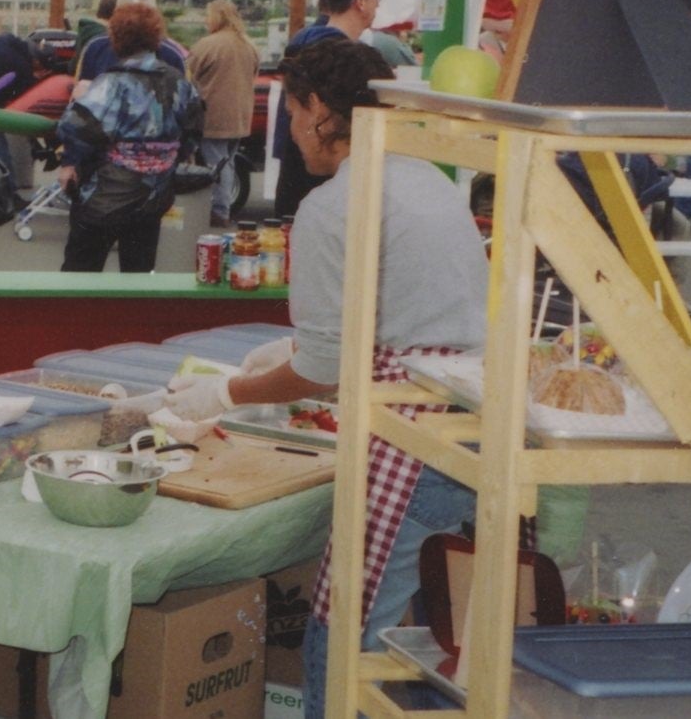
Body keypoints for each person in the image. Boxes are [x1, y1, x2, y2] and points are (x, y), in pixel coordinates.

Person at [163, 39, 485, 719]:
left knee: (344, 645)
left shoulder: (333, 206)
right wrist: (294, 343)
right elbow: (398, 313)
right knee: (434, 651)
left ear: (317, 111)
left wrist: (223, 393)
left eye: (292, 109)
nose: (287, 127)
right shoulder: (426, 176)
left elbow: (322, 370)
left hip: (415, 443)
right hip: (474, 431)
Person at [56, 3, 203, 273]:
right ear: (156, 37)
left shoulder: (112, 84)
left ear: (116, 38)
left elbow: (76, 127)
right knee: (139, 276)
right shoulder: (181, 85)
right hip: (154, 196)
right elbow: (192, 134)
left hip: (105, 197)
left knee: (79, 277)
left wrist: (70, 160)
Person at [272, 0, 395, 218]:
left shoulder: (305, 45)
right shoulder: (340, 60)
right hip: (323, 178)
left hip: (296, 171)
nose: (378, 5)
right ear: (360, 1)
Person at [185, 0, 260, 228]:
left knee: (216, 164)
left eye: (208, 16)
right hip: (240, 116)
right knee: (227, 162)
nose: (206, 21)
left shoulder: (208, 45)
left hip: (213, 117)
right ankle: (222, 206)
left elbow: (189, 77)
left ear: (217, 17)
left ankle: (219, 210)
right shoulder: (249, 45)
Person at [75, 0, 186, 84]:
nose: (136, 21)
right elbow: (79, 92)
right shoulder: (96, 47)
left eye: (145, 15)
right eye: (128, 16)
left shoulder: (172, 55)